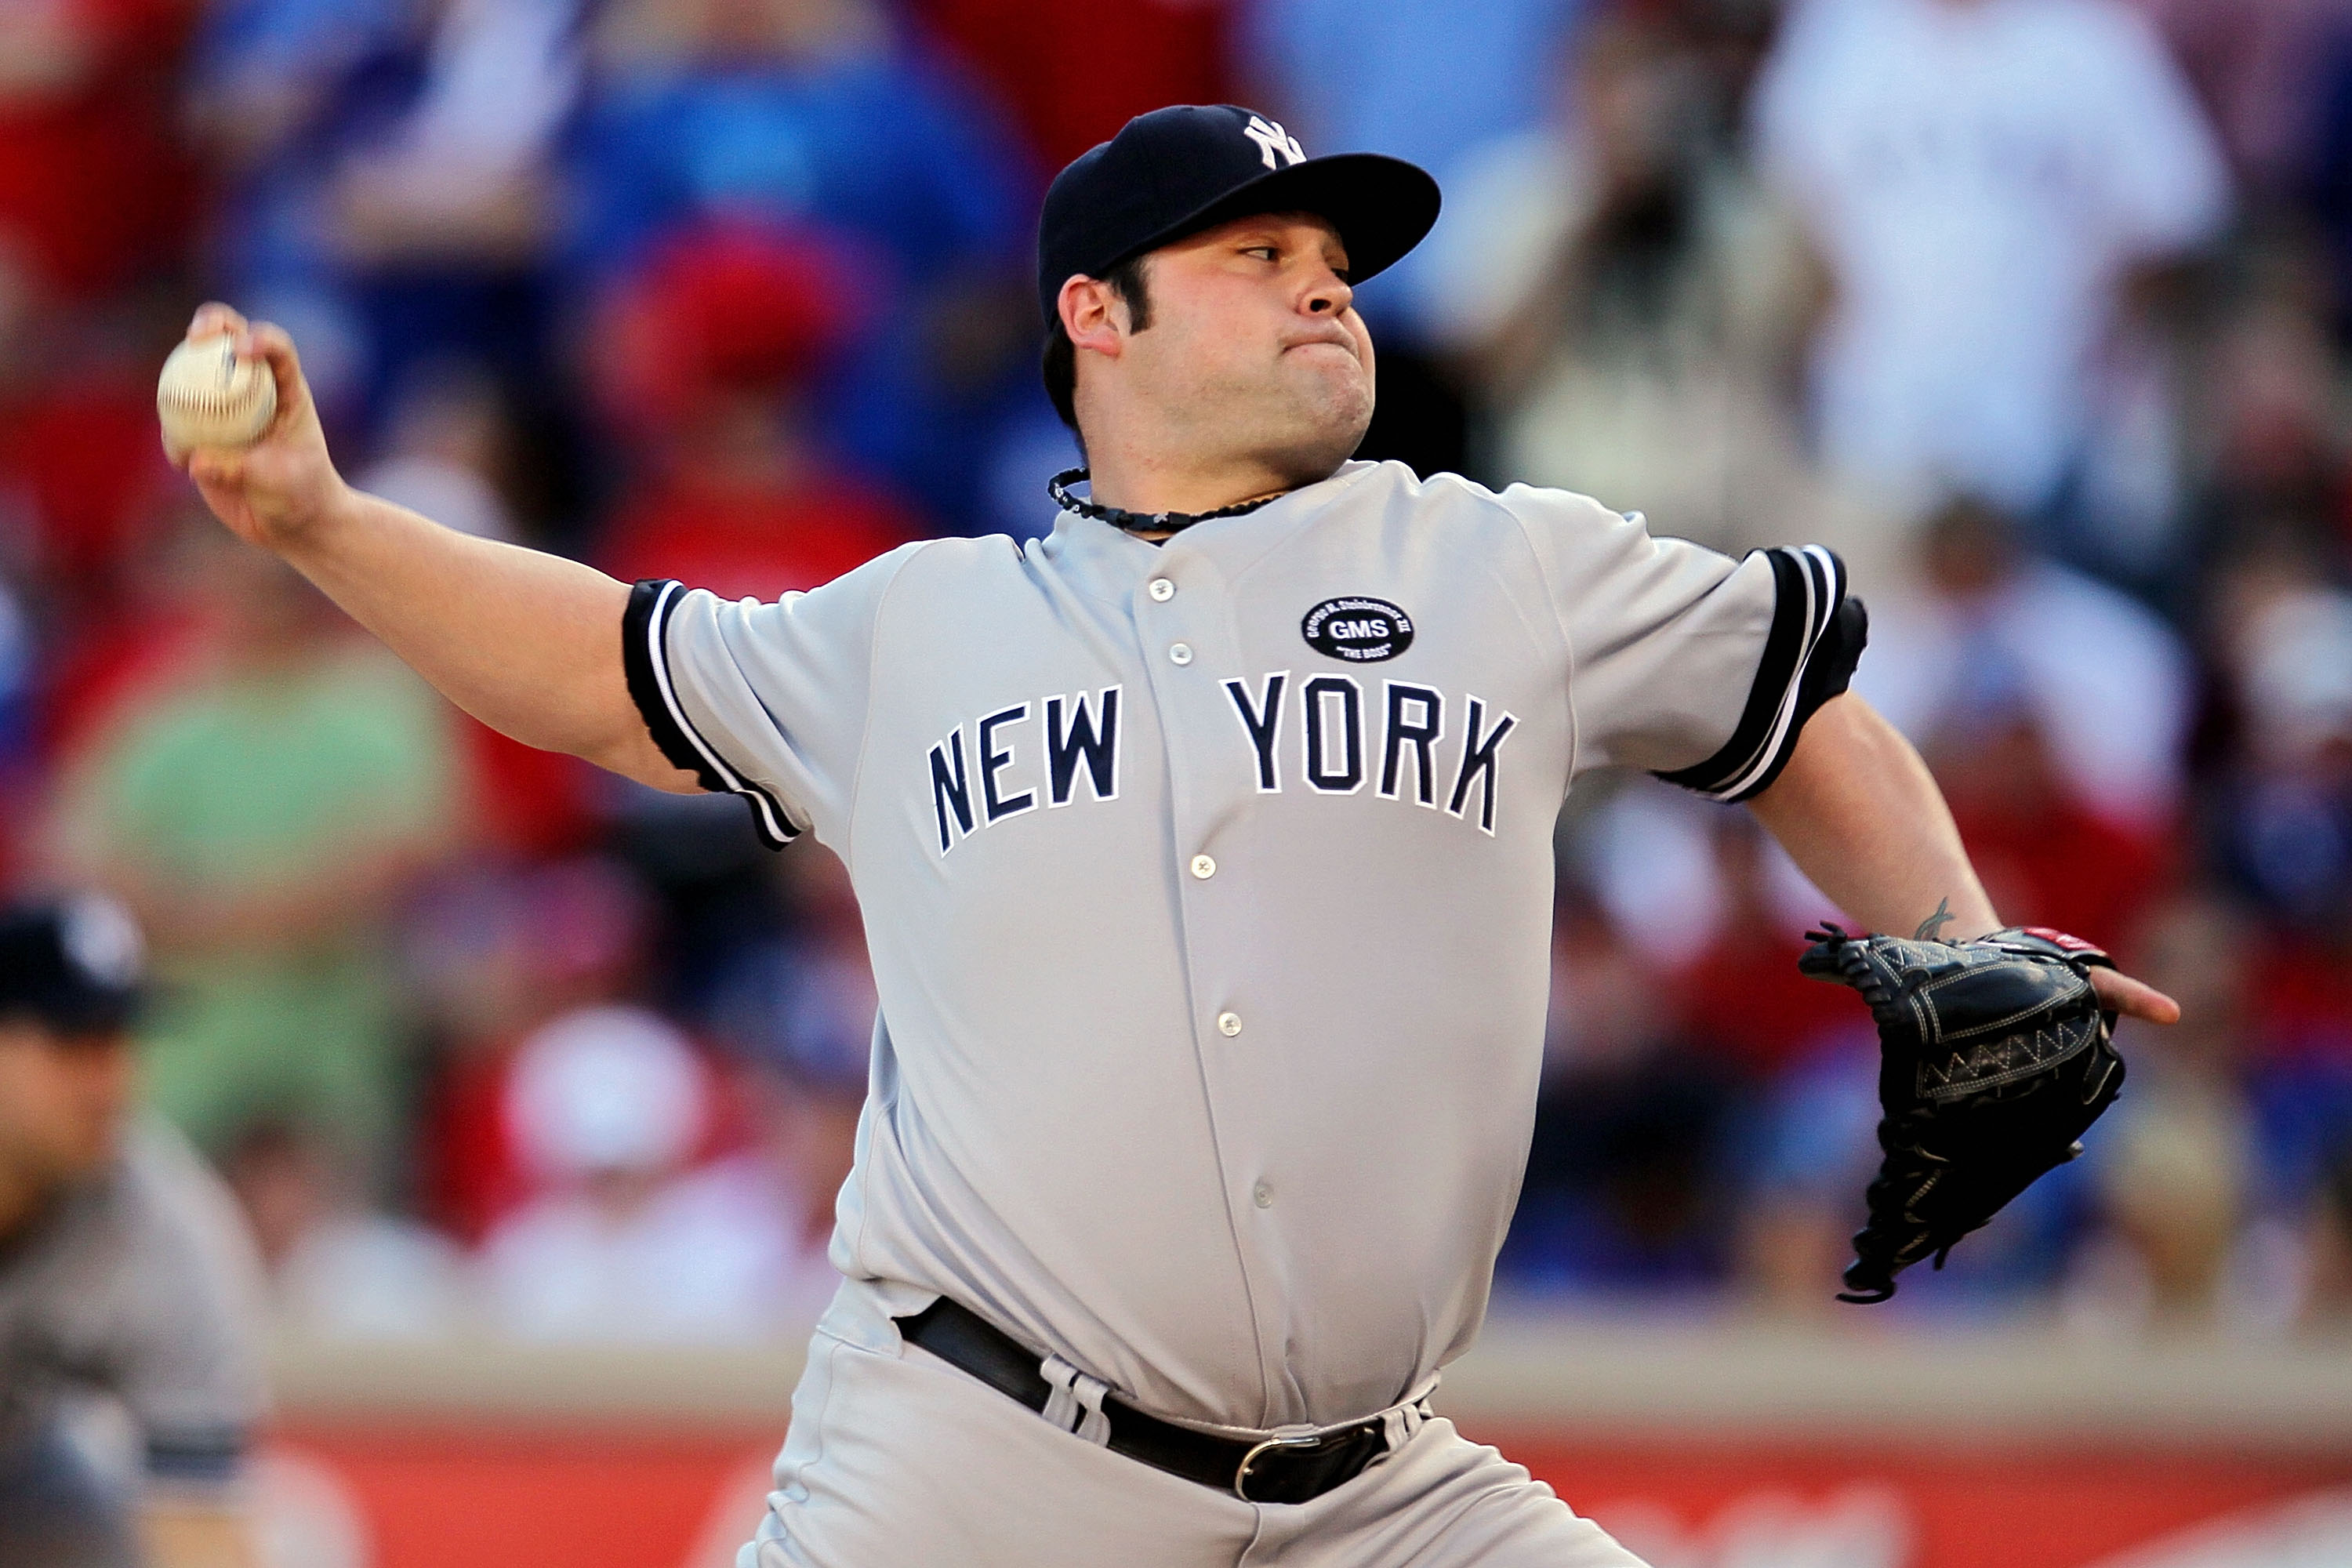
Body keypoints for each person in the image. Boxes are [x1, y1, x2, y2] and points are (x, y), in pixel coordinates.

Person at [172, 101, 2182, 1567]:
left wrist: (1955, 926)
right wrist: (332, 526)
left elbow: (1791, 704)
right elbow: (611, 659)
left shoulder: (1497, 562)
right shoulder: (920, 623)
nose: (1324, 291)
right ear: (1095, 317)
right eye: (1258, 260)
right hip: (970, 1461)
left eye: (1335, 268)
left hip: (1377, 1487)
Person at [0, 895, 267, 1568]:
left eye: (118, 1043)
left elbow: (197, 1526)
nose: (107, 1084)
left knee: (92, 1529)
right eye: (73, 1044)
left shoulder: (163, 1230)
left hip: (17, 1475)